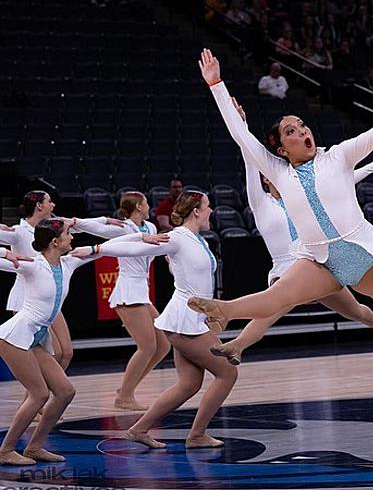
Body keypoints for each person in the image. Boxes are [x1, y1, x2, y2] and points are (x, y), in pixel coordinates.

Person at [189, 49, 373, 327]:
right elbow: (241, 136)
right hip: (319, 259)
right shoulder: (278, 172)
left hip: (362, 253)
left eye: (302, 125)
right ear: (282, 149)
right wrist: (216, 86)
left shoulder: (338, 156)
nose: (302, 131)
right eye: (291, 131)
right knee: (278, 295)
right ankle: (224, 310)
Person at [209, 99, 373, 365]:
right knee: (271, 305)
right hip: (287, 269)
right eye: (265, 175)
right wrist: (240, 124)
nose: (269, 176)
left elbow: (346, 179)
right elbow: (250, 158)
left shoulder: (300, 191)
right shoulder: (261, 204)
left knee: (355, 311)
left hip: (317, 262)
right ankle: (238, 344)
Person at [81, 191, 239, 448]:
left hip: (194, 318)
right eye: (208, 206)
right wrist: (95, 249)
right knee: (227, 373)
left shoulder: (199, 240)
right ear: (197, 210)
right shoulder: (176, 238)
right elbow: (132, 248)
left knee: (189, 384)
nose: (212, 210)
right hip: (183, 320)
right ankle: (197, 435)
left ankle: (139, 428)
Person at [0, 220, 160, 465]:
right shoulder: (32, 265)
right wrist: (4, 252)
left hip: (36, 339)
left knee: (65, 392)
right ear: (55, 242)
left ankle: (34, 447)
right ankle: (6, 450)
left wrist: (140, 239)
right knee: (39, 394)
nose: (72, 238)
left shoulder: (69, 262)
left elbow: (108, 247)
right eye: (67, 234)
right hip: (15, 337)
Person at [0, 191, 127, 373]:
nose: (53, 205)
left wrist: (106, 220)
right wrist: (5, 253)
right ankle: (40, 392)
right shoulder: (18, 232)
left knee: (66, 352)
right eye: (49, 201)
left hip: (51, 298)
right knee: (52, 353)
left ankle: (53, 390)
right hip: (27, 300)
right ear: (39, 206)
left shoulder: (55, 225)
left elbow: (79, 223)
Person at [108, 192, 172, 410]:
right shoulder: (124, 228)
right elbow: (101, 232)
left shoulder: (152, 227)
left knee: (163, 344)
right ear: (138, 206)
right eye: (145, 203)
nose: (149, 206)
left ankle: (128, 386)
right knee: (147, 346)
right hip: (127, 290)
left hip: (141, 290)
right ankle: (124, 397)